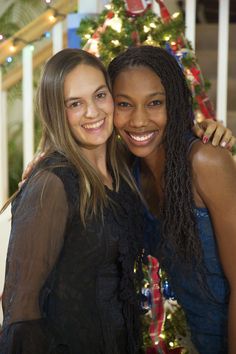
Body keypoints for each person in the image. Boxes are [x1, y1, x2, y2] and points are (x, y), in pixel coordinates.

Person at [0, 48, 147, 354]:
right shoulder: (52, 184)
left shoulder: (124, 171)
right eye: (75, 104)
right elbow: (21, 309)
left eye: (99, 95)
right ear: (57, 111)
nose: (93, 112)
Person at [108, 45, 236, 354]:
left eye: (155, 103)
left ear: (175, 104)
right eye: (124, 104)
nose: (138, 121)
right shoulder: (127, 169)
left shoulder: (206, 162)